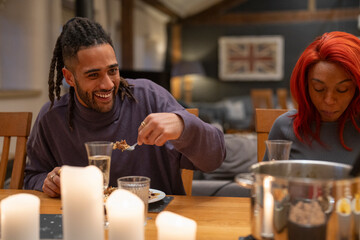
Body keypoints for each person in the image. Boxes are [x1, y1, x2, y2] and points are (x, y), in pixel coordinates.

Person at [24, 17, 226, 197]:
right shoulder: (52, 117)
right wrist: (47, 183)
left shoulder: (149, 98)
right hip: (84, 221)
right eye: (93, 75)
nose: (108, 84)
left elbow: (214, 159)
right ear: (69, 77)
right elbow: (32, 176)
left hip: (153, 221)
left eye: (112, 70)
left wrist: (184, 126)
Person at [265, 31, 360, 164]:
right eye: (318, 88)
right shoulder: (285, 128)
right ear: (305, 85)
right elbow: (269, 181)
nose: (329, 100)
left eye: (342, 90)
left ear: (357, 89)